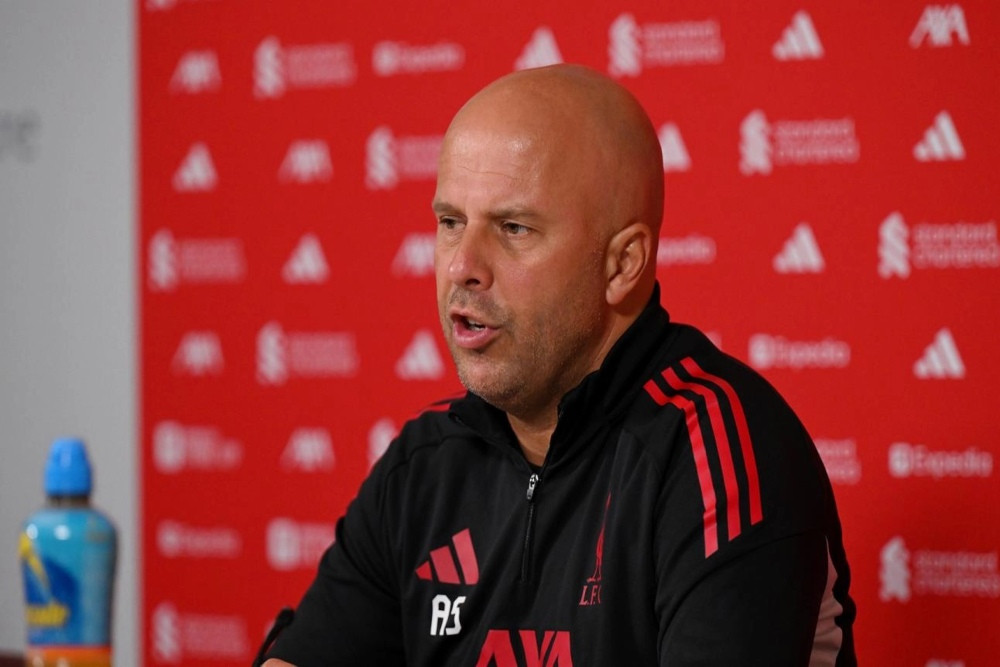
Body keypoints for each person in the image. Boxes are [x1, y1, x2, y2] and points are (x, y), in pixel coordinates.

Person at [263, 64, 857, 666]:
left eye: (514, 228)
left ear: (622, 264)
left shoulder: (720, 452)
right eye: (450, 223)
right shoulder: (424, 465)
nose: (462, 266)